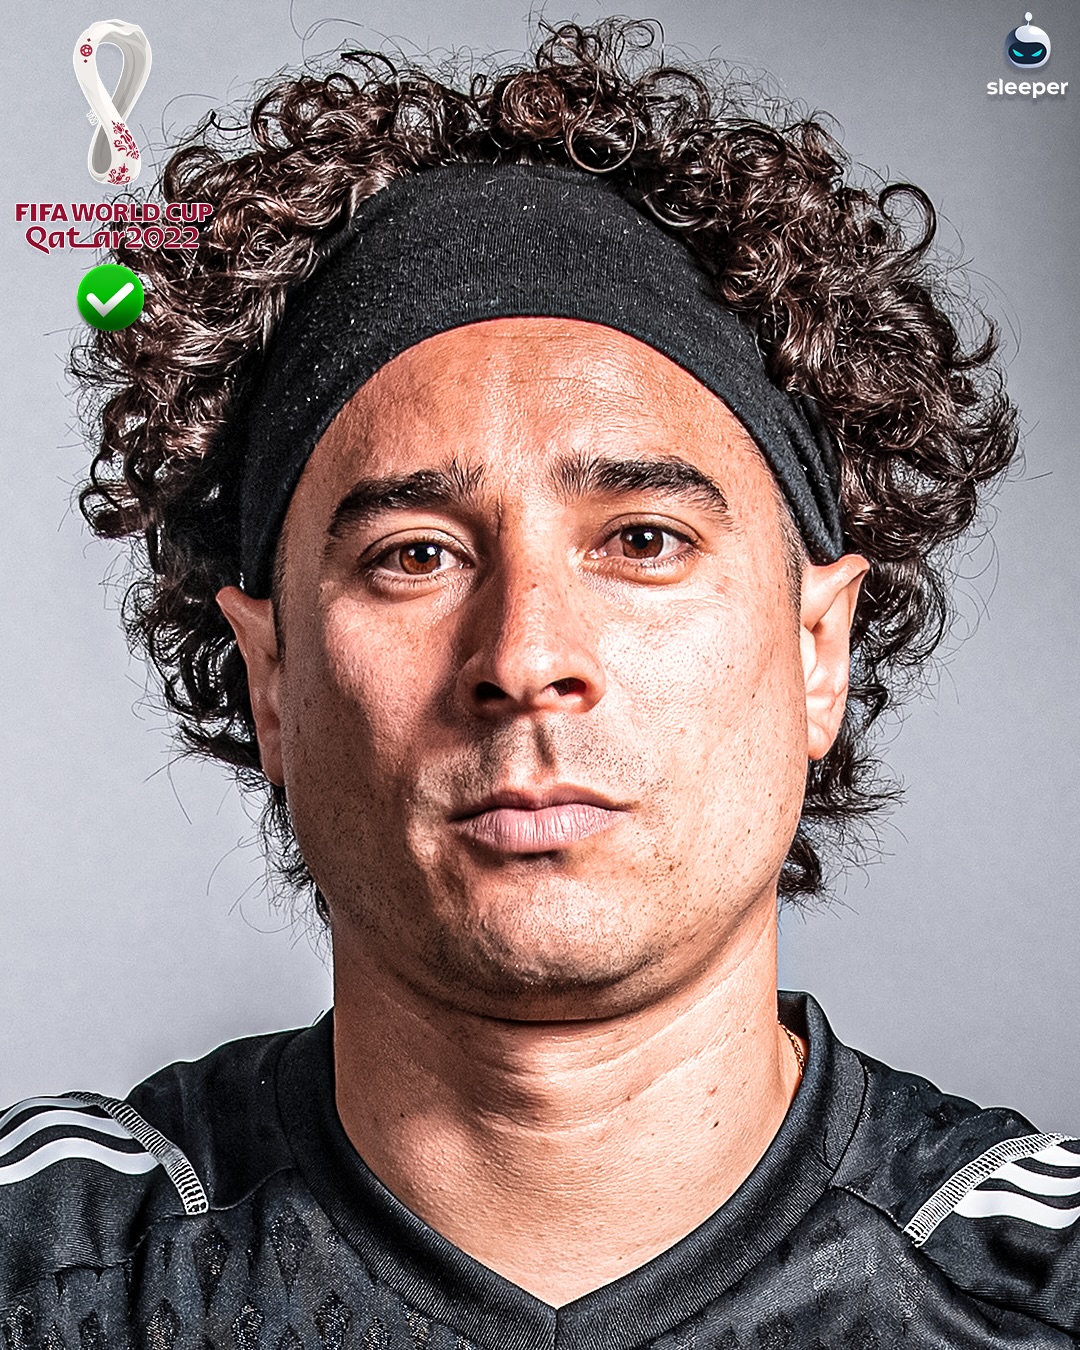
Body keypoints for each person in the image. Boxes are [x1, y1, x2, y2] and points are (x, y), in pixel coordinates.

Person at [3, 20, 1075, 1346]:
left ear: (818, 649)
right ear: (271, 676)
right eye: (415, 555)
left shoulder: (1037, 1289)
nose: (522, 658)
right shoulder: (49, 1271)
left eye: (644, 541)